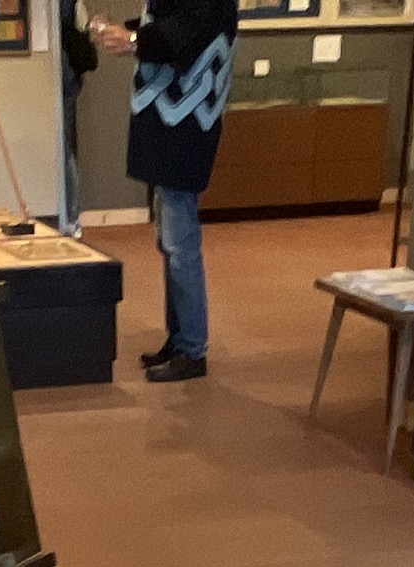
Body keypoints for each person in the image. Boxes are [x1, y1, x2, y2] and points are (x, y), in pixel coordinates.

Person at [98, 0, 238, 382]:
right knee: (171, 243)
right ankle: (179, 340)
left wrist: (132, 39)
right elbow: (169, 21)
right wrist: (130, 32)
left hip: (186, 122)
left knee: (181, 245)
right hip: (173, 121)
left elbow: (184, 32)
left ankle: (192, 349)